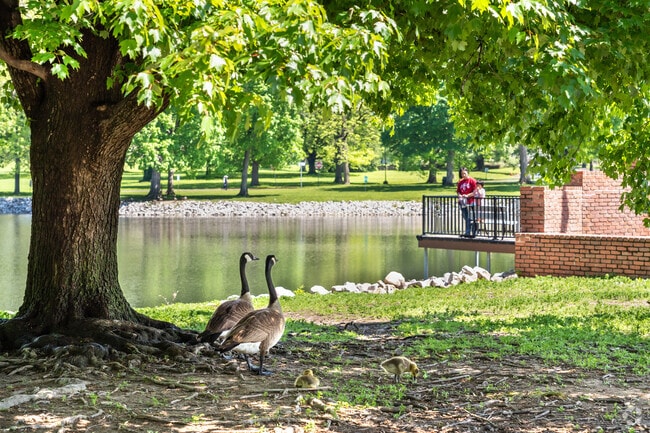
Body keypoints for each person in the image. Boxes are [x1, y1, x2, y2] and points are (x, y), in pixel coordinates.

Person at [456, 167, 477, 237]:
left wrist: (467, 195)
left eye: (464, 173)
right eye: (462, 174)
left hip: (471, 201)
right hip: (463, 202)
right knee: (465, 217)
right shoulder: (460, 182)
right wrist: (460, 196)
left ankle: (471, 232)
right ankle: (469, 231)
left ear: (467, 172)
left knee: (471, 217)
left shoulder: (472, 181)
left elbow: (475, 192)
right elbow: (458, 191)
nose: (463, 175)